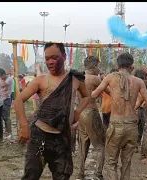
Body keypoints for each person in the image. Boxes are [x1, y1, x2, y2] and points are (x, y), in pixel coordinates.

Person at [15, 43, 90, 179]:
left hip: (62, 138)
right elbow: (19, 100)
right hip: (39, 136)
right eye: (47, 58)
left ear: (64, 56)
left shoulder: (75, 79)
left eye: (55, 57)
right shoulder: (40, 81)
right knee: (31, 176)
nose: (50, 61)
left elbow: (86, 96)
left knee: (62, 176)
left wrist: (78, 112)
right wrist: (24, 125)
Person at [91, 52, 147, 180]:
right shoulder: (138, 81)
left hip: (116, 125)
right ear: (131, 65)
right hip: (132, 126)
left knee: (111, 161)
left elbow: (94, 94)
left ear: (118, 65)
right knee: (126, 162)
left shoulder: (110, 77)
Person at [76, 56, 106, 179]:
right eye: (98, 66)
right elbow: (109, 91)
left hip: (81, 113)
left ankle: (80, 173)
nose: (99, 69)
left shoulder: (78, 78)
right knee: (100, 146)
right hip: (91, 112)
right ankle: (98, 174)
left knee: (83, 145)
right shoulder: (94, 79)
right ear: (94, 66)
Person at [0, 68, 14, 138]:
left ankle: (9, 132)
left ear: (3, 75)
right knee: (2, 116)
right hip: (1, 99)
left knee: (6, 116)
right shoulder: (2, 79)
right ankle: (6, 131)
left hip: (6, 99)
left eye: (0, 76)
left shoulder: (9, 79)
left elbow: (3, 85)